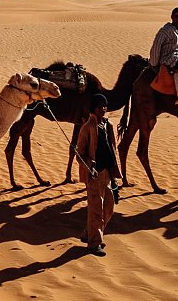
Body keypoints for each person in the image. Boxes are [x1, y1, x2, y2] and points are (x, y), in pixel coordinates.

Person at [76, 94, 122, 256]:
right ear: (93, 108)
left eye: (105, 105)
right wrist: (90, 166)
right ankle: (94, 243)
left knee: (109, 208)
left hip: (107, 174)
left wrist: (114, 173)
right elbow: (79, 153)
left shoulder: (108, 125)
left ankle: (89, 233)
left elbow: (112, 149)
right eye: (99, 106)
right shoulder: (87, 127)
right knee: (96, 209)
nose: (103, 108)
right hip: (94, 175)